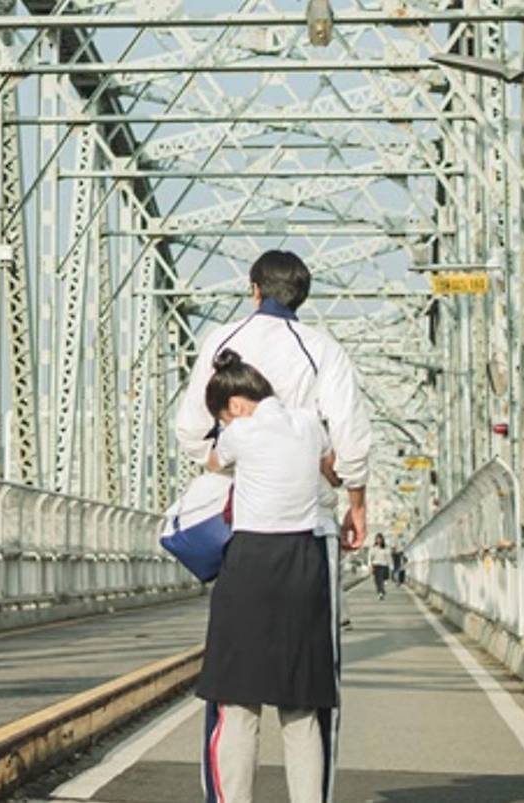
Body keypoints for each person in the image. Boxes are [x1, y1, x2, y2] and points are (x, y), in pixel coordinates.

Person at [176, 250, 371, 802]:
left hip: (243, 541)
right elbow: (351, 444)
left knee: (233, 696)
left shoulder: (222, 339)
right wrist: (356, 502)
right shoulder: (322, 349)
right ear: (302, 295)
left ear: (254, 289)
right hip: (310, 543)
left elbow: (191, 432)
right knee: (307, 698)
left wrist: (239, 460)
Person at [197, 349, 337, 803]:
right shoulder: (310, 425)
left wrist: (223, 438)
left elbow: (213, 463)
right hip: (303, 563)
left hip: (250, 564)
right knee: (301, 710)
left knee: (238, 705)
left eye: (223, 416)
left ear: (235, 405)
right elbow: (332, 468)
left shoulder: (240, 432)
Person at [369, 533, 391, 600]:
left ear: (382, 539)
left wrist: (390, 566)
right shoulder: (373, 548)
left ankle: (381, 593)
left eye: (380, 539)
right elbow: (370, 558)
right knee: (377, 581)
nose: (378, 540)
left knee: (380, 580)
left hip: (383, 566)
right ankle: (380, 592)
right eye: (377, 539)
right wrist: (370, 566)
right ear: (375, 540)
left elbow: (388, 557)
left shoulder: (386, 548)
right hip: (375, 565)